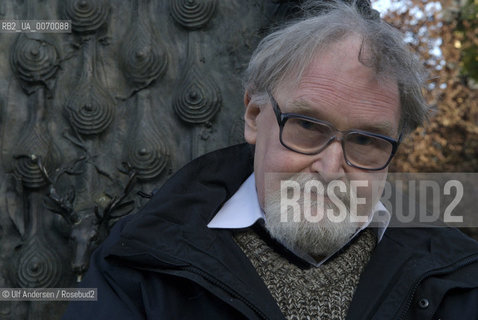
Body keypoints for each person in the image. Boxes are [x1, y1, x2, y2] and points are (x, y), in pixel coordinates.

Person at [62, 1, 478, 319]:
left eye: (366, 140)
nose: (331, 169)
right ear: (253, 116)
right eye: (307, 126)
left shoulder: (459, 279)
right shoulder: (139, 261)